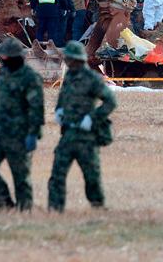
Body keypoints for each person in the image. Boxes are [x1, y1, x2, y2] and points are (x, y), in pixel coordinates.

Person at [48, 41, 117, 212]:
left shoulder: (92, 79)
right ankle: (55, 208)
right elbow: (63, 97)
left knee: (91, 174)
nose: (69, 63)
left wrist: (92, 118)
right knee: (57, 173)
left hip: (86, 136)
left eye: (71, 60)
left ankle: (98, 206)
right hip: (68, 134)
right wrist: (59, 111)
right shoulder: (69, 76)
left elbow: (111, 101)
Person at [0, 37, 44, 211]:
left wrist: (33, 133)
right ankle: (3, 202)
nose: (3, 59)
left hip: (20, 134)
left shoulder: (30, 78)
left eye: (5, 57)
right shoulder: (3, 72)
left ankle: (24, 209)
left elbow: (37, 108)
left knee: (20, 175)